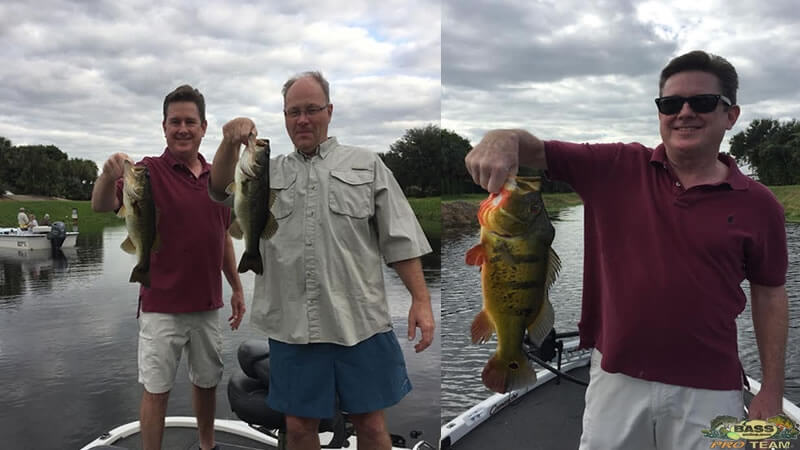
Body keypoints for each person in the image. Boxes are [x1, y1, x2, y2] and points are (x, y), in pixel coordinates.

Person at [465, 50, 789, 450]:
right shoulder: (615, 166)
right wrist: (502, 138)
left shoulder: (759, 205)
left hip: (711, 385)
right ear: (660, 113)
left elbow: (770, 292)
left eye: (701, 102)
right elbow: (534, 149)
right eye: (670, 104)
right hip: (616, 377)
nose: (684, 112)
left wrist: (771, 388)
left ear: (730, 115)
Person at [208, 71, 435, 450]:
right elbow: (217, 189)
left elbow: (400, 237)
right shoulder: (266, 170)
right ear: (284, 117)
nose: (302, 119)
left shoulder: (367, 164)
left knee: (372, 426)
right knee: (298, 427)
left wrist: (422, 300)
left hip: (361, 322)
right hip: (293, 326)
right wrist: (229, 142)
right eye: (293, 111)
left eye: (311, 109)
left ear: (329, 111)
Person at [91, 84, 246, 450]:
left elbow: (222, 236)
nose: (182, 129)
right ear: (163, 127)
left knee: (207, 383)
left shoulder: (218, 179)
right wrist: (106, 174)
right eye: (174, 121)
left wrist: (237, 287)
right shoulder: (146, 173)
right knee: (156, 389)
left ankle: (207, 445)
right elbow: (101, 205)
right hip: (161, 306)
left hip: (208, 306)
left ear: (204, 127)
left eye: (190, 121)